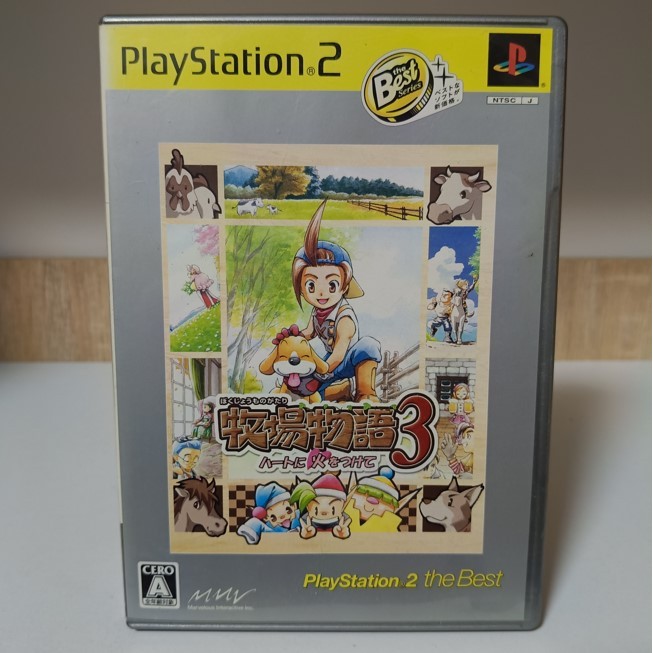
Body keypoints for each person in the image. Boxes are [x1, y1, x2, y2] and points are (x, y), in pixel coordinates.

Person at [291, 201, 381, 402]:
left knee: (368, 346)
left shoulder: (344, 317)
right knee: (303, 390)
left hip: (346, 360)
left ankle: (366, 392)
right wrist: (293, 336)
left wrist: (320, 371)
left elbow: (339, 353)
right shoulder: (317, 312)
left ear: (344, 287)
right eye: (311, 285)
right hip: (329, 362)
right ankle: (340, 391)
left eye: (331, 284)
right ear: (302, 290)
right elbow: (310, 332)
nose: (321, 292)